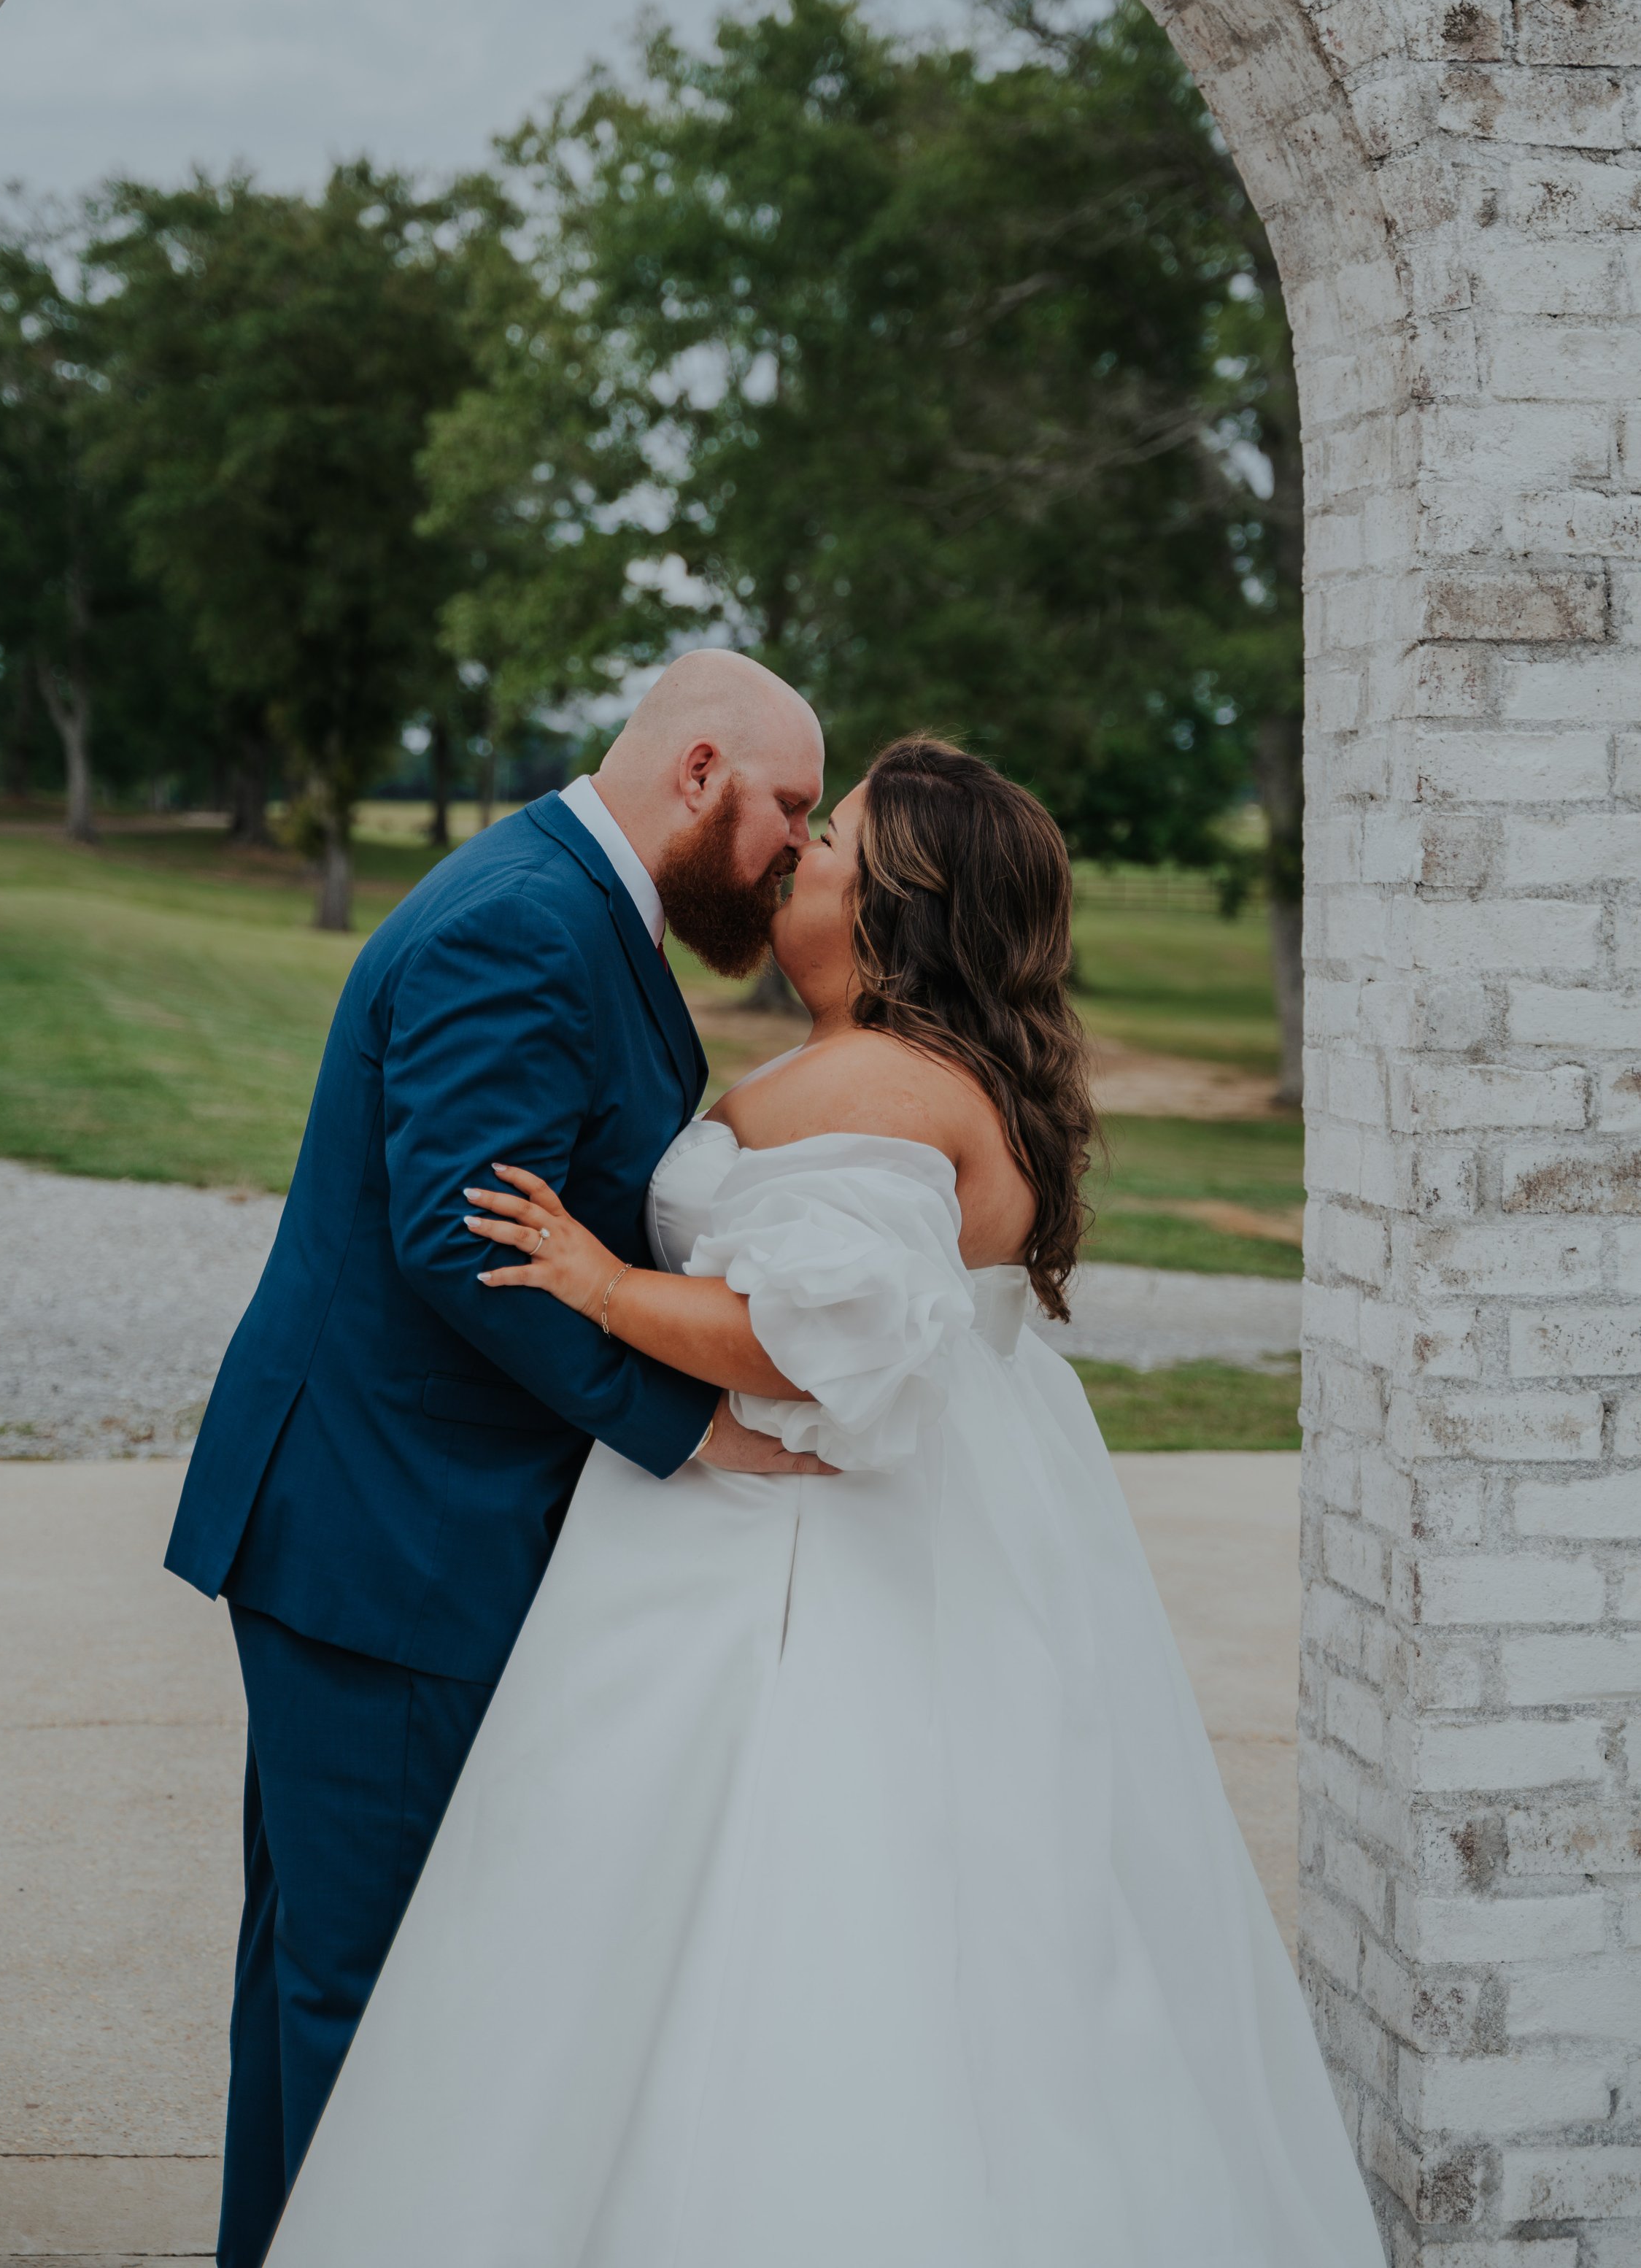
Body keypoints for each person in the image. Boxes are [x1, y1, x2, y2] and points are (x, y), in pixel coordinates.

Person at [263, 734, 1387, 2268]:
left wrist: (599, 1283)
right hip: (953, 1535)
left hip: (794, 1554)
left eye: (833, 843)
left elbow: (815, 1341)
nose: (798, 858)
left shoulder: (865, 1083)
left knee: (763, 1923)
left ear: (896, 913)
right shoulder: (931, 1072)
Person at [164, 649, 831, 2268]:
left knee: (323, 1978)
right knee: (368, 1998)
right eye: (789, 812)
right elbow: (470, 1247)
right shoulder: (521, 925)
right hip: (389, 1541)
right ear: (696, 773)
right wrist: (688, 1429)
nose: (798, 855)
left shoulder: (574, 907)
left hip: (396, 1528)